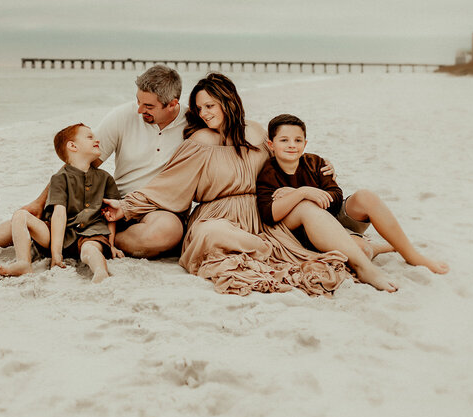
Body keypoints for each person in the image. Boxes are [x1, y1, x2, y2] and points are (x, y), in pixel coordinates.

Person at [103, 73, 352, 297]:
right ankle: (266, 250)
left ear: (229, 102)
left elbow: (286, 157)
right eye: (200, 108)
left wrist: (318, 164)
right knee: (211, 234)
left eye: (210, 106)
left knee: (307, 232)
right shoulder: (199, 140)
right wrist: (126, 207)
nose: (204, 113)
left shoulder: (256, 133)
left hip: (258, 214)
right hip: (215, 215)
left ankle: (269, 248)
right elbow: (169, 184)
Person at [0, 65, 188, 259]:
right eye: (138, 101)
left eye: (149, 106)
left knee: (165, 233)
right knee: (39, 213)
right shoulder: (123, 116)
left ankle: (76, 241)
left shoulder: (193, 126)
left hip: (157, 210)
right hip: (111, 203)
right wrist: (38, 201)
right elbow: (82, 164)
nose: (139, 110)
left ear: (172, 104)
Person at [256, 114, 449, 288]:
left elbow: (336, 196)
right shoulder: (268, 173)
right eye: (284, 140)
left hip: (335, 218)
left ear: (305, 144)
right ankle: (377, 251)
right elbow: (268, 214)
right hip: (308, 233)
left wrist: (311, 193)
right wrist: (300, 194)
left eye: (297, 140)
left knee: (366, 196)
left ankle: (412, 255)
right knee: (362, 250)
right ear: (271, 145)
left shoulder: (315, 162)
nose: (292, 145)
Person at [0, 123, 123, 282]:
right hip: (60, 236)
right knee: (20, 215)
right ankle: (23, 263)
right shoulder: (59, 178)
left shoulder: (105, 178)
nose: (97, 140)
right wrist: (56, 254)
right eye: (90, 137)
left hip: (91, 233)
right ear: (73, 146)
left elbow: (112, 216)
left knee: (90, 250)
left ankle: (100, 272)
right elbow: (59, 213)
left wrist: (111, 245)